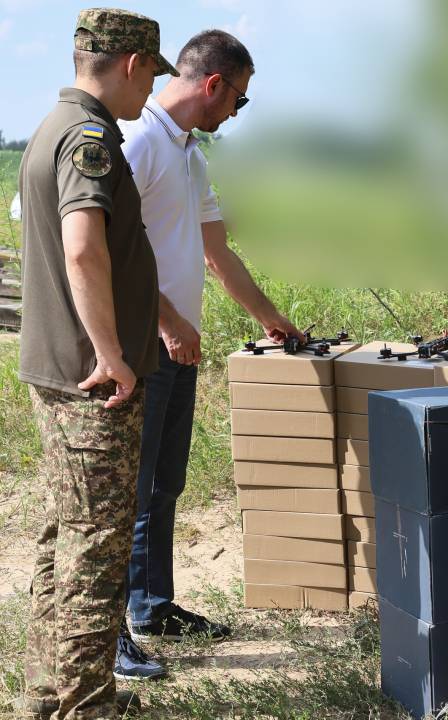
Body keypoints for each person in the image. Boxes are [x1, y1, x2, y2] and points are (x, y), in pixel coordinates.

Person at [112, 29, 300, 679]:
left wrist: (275, 321)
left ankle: (152, 604)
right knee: (124, 492)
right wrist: (166, 323)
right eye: (239, 101)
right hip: (140, 342)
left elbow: (219, 255)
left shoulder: (190, 155)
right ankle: (108, 634)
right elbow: (112, 249)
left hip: (176, 343)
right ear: (212, 85)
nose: (236, 114)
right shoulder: (139, 142)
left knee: (164, 484)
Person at [16, 8, 177, 718]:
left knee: (63, 540)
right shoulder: (90, 140)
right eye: (152, 78)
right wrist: (114, 356)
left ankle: (48, 698)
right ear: (134, 64)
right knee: (95, 550)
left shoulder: (50, 128)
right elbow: (83, 247)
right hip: (93, 382)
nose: (150, 96)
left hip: (58, 371)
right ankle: (87, 706)